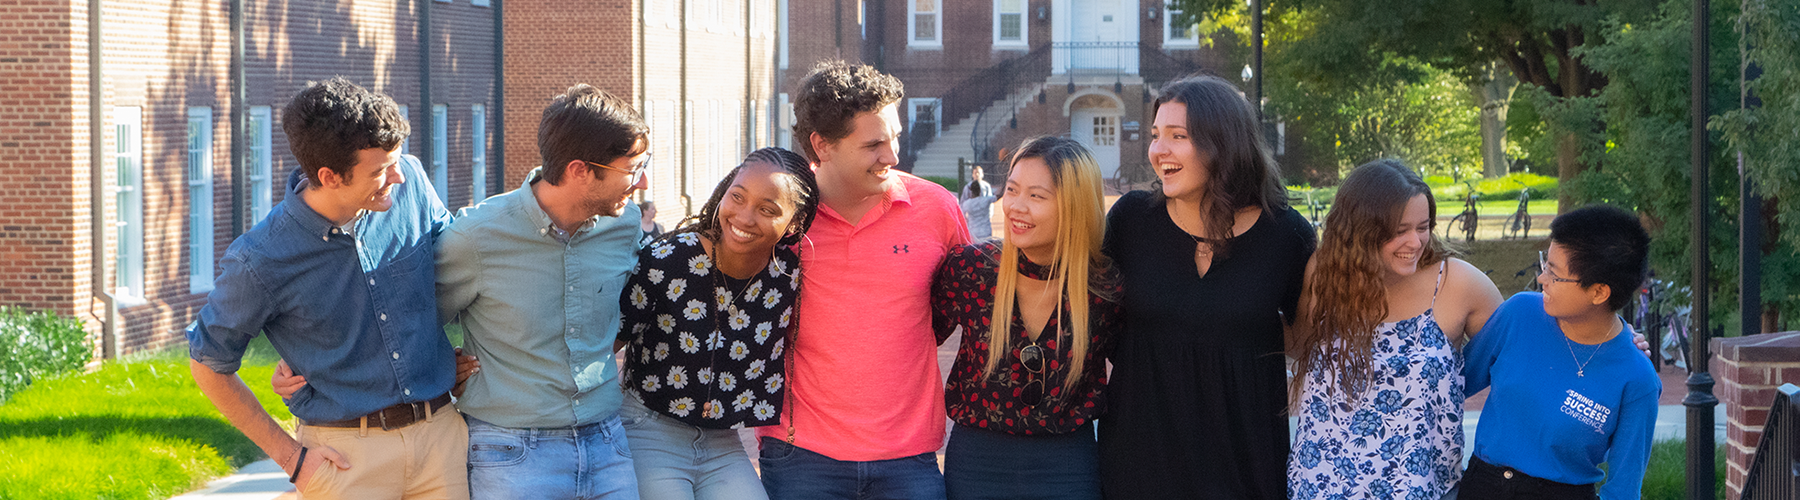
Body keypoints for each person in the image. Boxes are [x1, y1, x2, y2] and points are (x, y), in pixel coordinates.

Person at [187, 78, 466, 499]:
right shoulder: (260, 259)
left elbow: (456, 268)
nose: (398, 176)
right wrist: (292, 460)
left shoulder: (410, 184)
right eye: (380, 171)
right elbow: (208, 365)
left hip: (442, 442)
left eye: (397, 160)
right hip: (346, 460)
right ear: (329, 176)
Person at [752, 61, 970, 499]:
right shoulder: (780, 218)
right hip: (801, 458)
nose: (892, 156)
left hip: (910, 460)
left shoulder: (937, 209)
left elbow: (969, 305)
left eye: (895, 138)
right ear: (822, 145)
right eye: (873, 144)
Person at [1097, 75, 1315, 499]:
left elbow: (1304, 339)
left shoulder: (1286, 235)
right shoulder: (1131, 221)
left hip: (1245, 460)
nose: (1159, 150)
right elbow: (1096, 315)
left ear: (1224, 144)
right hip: (1140, 456)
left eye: (1178, 136)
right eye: (1156, 135)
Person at [1285, 159, 1504, 500]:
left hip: (1420, 489)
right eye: (1400, 230)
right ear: (1361, 230)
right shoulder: (1324, 272)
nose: (1415, 242)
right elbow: (1299, 345)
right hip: (1321, 485)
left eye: (1423, 226)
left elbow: (1512, 368)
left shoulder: (1460, 284)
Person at [616, 147, 821, 500]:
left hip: (722, 438)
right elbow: (606, 343)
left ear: (795, 221)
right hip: (650, 426)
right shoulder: (669, 260)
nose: (744, 216)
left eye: (767, 209)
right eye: (737, 197)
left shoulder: (786, 274)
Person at [931, 136, 1123, 500]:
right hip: (977, 459)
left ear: (1075, 207)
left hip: (1068, 462)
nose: (1016, 206)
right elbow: (912, 340)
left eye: (1036, 196)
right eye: (1012, 190)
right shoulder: (972, 269)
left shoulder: (1105, 288)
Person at [1458, 205, 1661, 500]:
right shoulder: (1520, 314)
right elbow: (1452, 386)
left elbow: (1623, 490)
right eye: (1545, 264)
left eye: (1554, 273)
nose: (1542, 279)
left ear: (1599, 293)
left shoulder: (1637, 380)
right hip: (1483, 487)